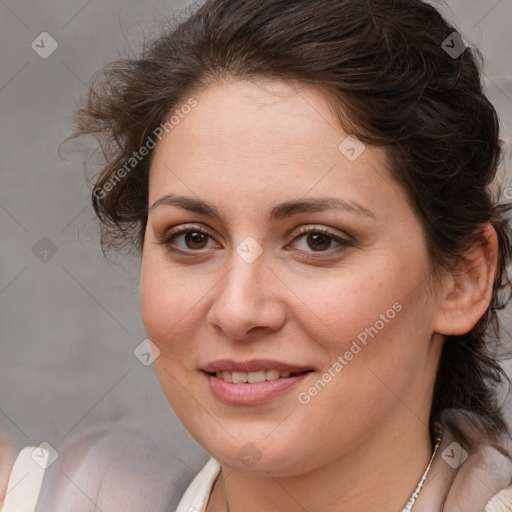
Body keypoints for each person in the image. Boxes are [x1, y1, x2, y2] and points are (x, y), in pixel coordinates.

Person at [2, 0, 512, 510]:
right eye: (193, 238)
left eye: (318, 240)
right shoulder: (57, 495)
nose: (237, 311)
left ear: (462, 279)